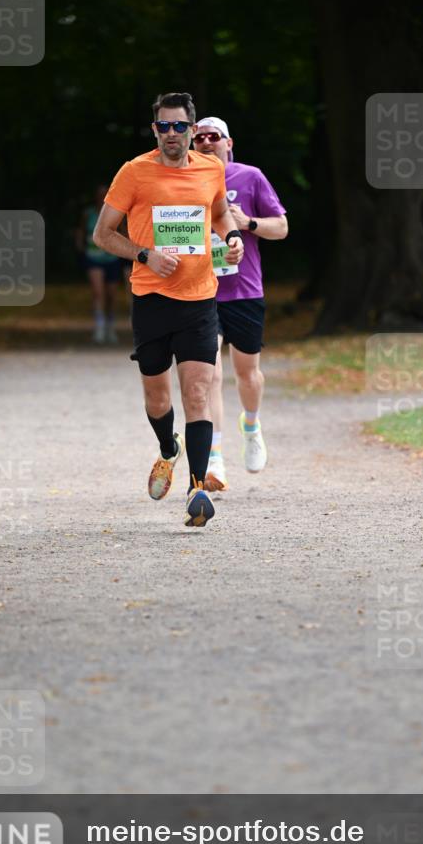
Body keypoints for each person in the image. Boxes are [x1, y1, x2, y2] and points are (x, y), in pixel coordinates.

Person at [92, 93, 244, 527]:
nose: (172, 134)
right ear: (154, 129)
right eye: (164, 127)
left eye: (180, 126)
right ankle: (167, 449)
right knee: (157, 396)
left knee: (198, 392)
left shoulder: (211, 168)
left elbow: (218, 213)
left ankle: (197, 489)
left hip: (199, 298)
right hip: (152, 299)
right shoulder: (135, 172)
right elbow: (103, 235)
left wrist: (231, 238)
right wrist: (145, 255)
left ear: (193, 129)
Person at [192, 116, 288, 492]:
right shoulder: (185, 180)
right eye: (199, 138)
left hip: (245, 291)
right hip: (202, 291)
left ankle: (251, 424)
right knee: (209, 373)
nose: (206, 142)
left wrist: (247, 223)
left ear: (229, 143)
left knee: (247, 374)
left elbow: (281, 227)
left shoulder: (250, 177)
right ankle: (215, 458)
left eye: (213, 137)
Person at [76, 184, 123, 343]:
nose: (102, 198)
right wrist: (81, 246)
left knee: (111, 295)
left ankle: (110, 324)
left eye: (105, 195)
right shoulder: (88, 214)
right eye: (99, 195)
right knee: (98, 292)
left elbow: (123, 232)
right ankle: (99, 326)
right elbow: (81, 231)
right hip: (93, 257)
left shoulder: (116, 211)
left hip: (111, 257)